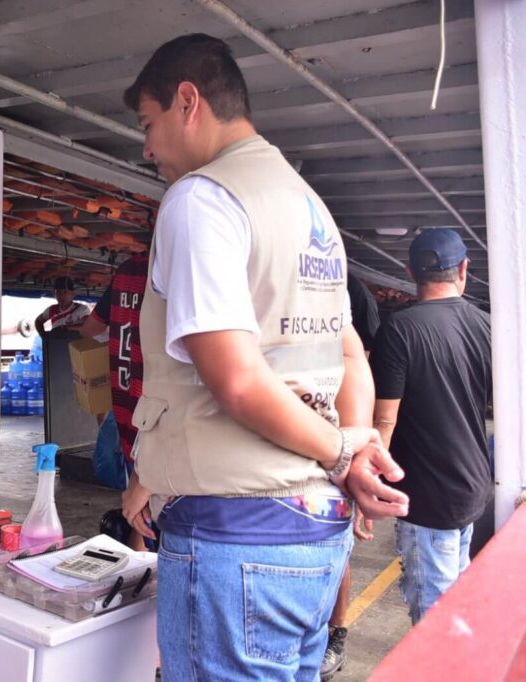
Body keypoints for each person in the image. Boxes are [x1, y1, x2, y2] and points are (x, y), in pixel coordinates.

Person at [118, 34, 409, 680]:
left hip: (236, 538)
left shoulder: (202, 200)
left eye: (149, 123)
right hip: (314, 540)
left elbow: (240, 381)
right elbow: (349, 360)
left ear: (187, 101)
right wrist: (349, 453)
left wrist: (341, 452)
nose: (146, 147)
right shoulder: (311, 211)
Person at [370, 228, 491, 625]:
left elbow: (384, 417)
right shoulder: (487, 326)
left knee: (434, 623)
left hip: (425, 498)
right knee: (456, 610)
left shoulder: (400, 329)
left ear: (410, 272)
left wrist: (372, 484)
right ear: (463, 270)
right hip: (472, 486)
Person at [321, 274, 382, 680]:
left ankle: (336, 636)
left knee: (339, 547)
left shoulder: (349, 288)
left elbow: (359, 356)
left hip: (337, 430)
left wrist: (356, 456)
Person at [77, 255, 149, 545]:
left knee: (140, 512)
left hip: (126, 402)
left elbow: (89, 330)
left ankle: (139, 576)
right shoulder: (183, 269)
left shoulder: (126, 274)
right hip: (161, 411)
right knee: (152, 516)